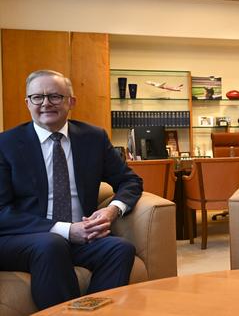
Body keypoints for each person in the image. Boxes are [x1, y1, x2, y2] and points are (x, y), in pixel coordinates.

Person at [0, 70, 143, 309]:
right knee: (51, 244)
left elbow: (130, 181)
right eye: (37, 97)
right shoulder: (6, 144)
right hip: (21, 238)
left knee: (120, 249)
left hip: (81, 235)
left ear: (71, 101)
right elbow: (2, 211)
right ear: (27, 103)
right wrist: (66, 230)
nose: (46, 103)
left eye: (55, 96)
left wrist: (112, 211)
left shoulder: (93, 138)